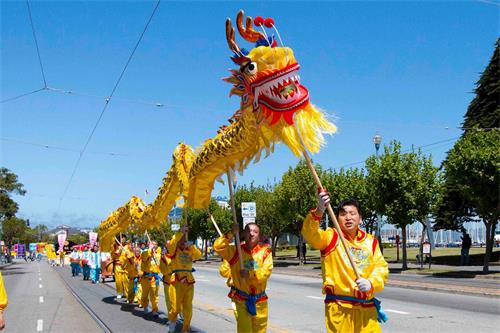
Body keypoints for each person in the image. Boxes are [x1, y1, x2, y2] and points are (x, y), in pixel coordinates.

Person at [302, 190, 389, 333]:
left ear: (360, 218)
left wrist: (371, 283)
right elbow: (310, 234)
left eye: (352, 213)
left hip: (367, 309)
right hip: (340, 308)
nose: (348, 217)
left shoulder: (370, 242)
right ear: (336, 218)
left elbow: (381, 268)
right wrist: (319, 210)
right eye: (343, 214)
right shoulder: (331, 237)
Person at [214, 223, 273, 333]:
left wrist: (250, 274)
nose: (251, 233)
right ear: (243, 234)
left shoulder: (266, 252)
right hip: (242, 300)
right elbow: (218, 247)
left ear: (259, 236)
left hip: (260, 301)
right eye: (248, 231)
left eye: (255, 232)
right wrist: (231, 233)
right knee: (245, 330)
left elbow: (266, 272)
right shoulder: (235, 252)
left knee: (260, 330)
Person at [167, 227, 202, 333]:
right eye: (180, 239)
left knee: (188, 308)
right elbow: (172, 243)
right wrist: (181, 232)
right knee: (175, 308)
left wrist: (191, 246)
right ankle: (172, 322)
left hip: (189, 282)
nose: (183, 241)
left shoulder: (190, 250)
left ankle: (185, 328)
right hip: (176, 283)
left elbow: (198, 255)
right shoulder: (174, 250)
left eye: (184, 239)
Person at [140, 240, 161, 316]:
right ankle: (145, 306)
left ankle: (154, 310)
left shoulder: (158, 255)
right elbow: (144, 258)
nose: (153, 245)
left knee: (154, 296)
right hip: (145, 278)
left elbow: (160, 265)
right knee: (144, 295)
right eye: (151, 244)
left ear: (157, 246)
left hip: (154, 279)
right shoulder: (144, 253)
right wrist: (149, 250)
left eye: (154, 244)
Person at [159, 241, 173, 315]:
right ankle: (171, 316)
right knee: (169, 300)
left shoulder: (176, 256)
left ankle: (180, 311)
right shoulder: (163, 258)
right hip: (167, 281)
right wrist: (169, 270)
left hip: (177, 282)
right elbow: (162, 270)